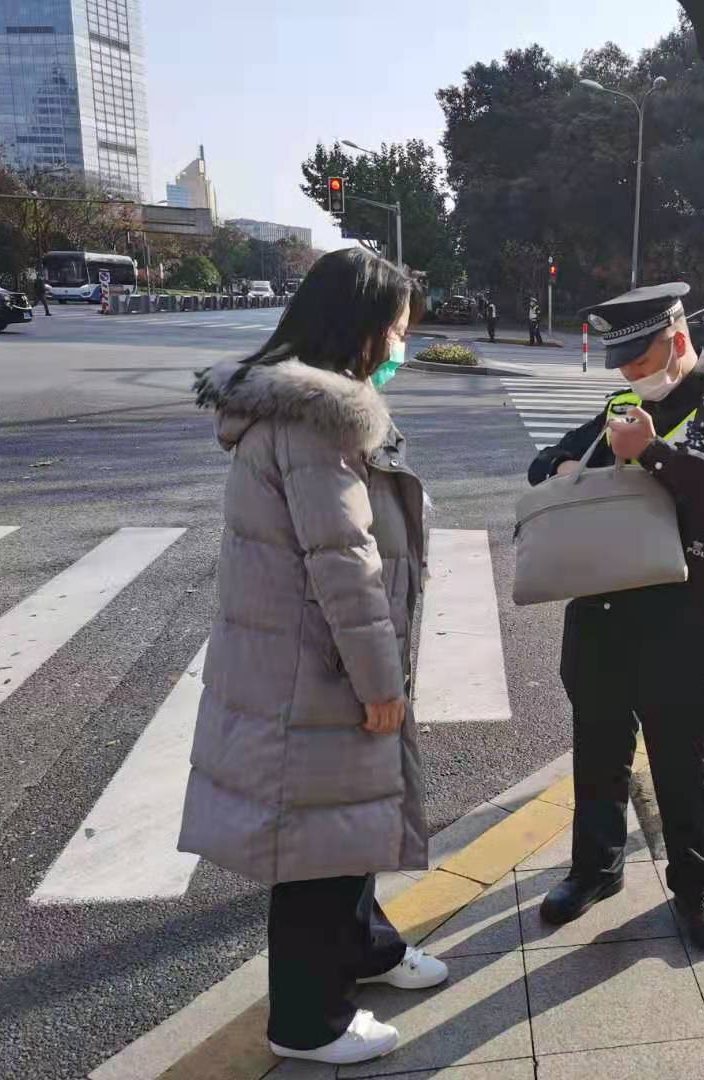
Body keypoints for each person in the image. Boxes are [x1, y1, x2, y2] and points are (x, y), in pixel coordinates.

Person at [179, 247, 446, 1068]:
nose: (401, 344)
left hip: (311, 661)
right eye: (396, 328)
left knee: (347, 824)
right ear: (360, 330)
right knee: (313, 852)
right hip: (315, 671)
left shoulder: (312, 413)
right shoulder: (315, 425)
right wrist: (380, 683)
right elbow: (343, 565)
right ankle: (307, 1023)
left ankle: (365, 949)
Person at [527, 282, 704, 952]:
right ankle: (596, 868)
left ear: (677, 340)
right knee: (598, 747)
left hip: (684, 616)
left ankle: (696, 888)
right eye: (623, 366)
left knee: (681, 759)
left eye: (641, 361)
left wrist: (654, 452)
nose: (632, 377)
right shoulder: (621, 407)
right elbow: (543, 463)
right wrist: (565, 464)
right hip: (602, 608)